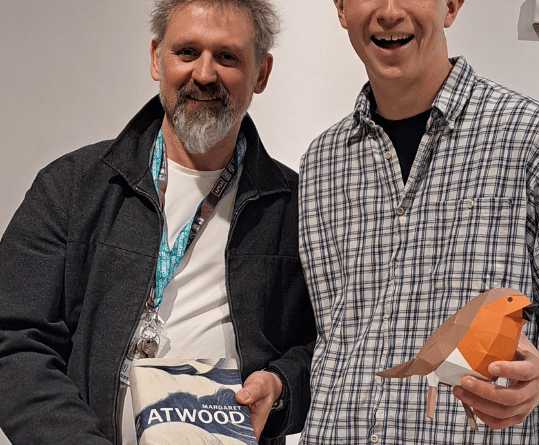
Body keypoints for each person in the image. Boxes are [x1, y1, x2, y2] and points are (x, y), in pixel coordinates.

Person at [0, 1, 316, 444]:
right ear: (155, 58)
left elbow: (330, 348)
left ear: (261, 73)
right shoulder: (71, 188)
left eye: (227, 57)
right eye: (187, 52)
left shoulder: (298, 208)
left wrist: (280, 389)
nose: (204, 74)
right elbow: (13, 341)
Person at [298, 0, 539, 444]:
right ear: (341, 8)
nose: (388, 11)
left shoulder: (534, 140)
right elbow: (326, 340)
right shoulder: (320, 163)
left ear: (452, 5)